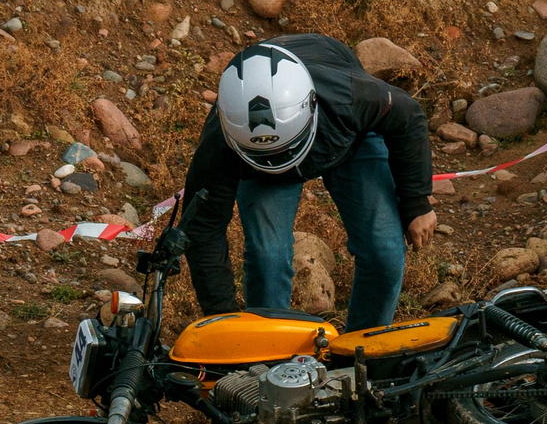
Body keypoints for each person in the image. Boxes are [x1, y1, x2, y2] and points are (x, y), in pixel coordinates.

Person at [165, 33, 438, 331]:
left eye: (285, 150)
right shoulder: (220, 142)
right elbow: (202, 230)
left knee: (384, 253)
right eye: (268, 153)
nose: (280, 159)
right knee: (268, 258)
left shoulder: (348, 95)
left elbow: (408, 117)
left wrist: (416, 201)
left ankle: (363, 353)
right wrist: (223, 323)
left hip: (346, 140)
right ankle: (265, 352)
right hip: (258, 169)